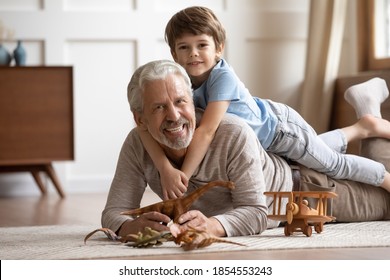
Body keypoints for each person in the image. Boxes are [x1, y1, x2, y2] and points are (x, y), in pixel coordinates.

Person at [101, 59, 390, 238]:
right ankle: (366, 119)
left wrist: (213, 225)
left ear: (192, 101)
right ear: (140, 119)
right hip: (277, 159)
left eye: (180, 102)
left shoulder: (230, 132)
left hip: (305, 189)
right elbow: (113, 211)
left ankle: (371, 118)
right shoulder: (137, 144)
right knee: (328, 153)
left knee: (386, 204)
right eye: (159, 107)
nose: (175, 116)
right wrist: (128, 227)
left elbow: (256, 211)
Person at [139, 6, 390, 200]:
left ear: (218, 49)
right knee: (313, 154)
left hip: (281, 132)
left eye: (201, 45)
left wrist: (183, 177)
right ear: (174, 54)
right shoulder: (180, 80)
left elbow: (206, 131)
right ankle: (362, 127)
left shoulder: (222, 76)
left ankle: (385, 179)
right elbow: (143, 127)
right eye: (184, 47)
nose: (193, 53)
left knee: (332, 164)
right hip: (261, 141)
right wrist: (164, 169)